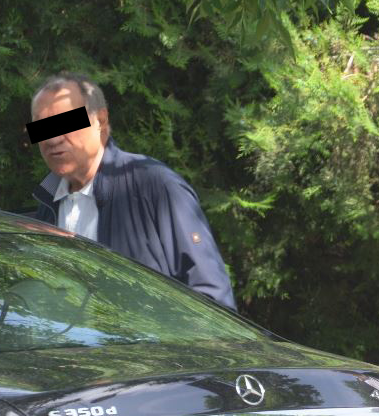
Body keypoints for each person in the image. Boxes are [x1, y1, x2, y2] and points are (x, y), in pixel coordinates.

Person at [30, 73, 236, 310]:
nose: (52, 139)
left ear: (100, 120)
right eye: (41, 128)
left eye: (63, 124)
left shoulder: (155, 186)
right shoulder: (48, 204)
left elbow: (212, 296)